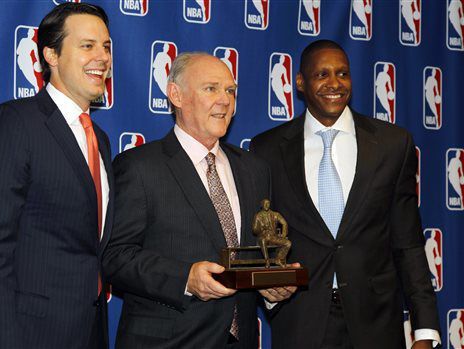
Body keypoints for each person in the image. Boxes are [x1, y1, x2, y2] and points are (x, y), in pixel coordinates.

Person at [250, 40, 440, 349]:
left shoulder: (393, 144)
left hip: (377, 324)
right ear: (300, 82)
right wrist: (270, 289)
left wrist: (425, 329)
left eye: (343, 73)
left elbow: (408, 243)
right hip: (301, 322)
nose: (334, 83)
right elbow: (261, 238)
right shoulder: (267, 149)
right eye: (322, 74)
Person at [103, 52, 295, 349]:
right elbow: (114, 257)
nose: (225, 100)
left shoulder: (254, 170)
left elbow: (252, 256)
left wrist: (271, 287)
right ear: (176, 95)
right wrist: (185, 278)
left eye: (230, 91)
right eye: (211, 88)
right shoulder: (139, 166)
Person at [0, 3, 113, 348]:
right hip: (25, 336)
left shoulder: (100, 140)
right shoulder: (13, 123)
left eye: (106, 46)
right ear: (51, 55)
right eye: (87, 45)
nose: (102, 57)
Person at [252, 199, 291, 268]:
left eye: (268, 203)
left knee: (288, 243)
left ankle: (279, 259)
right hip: (263, 237)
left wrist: (283, 235)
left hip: (273, 237)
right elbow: (254, 230)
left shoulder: (275, 214)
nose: (267, 205)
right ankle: (267, 261)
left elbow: (284, 223)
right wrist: (261, 228)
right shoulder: (258, 216)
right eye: (265, 203)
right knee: (263, 241)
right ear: (261, 205)